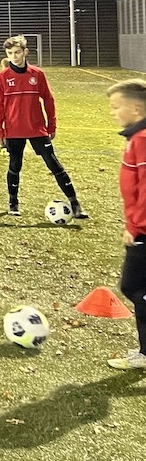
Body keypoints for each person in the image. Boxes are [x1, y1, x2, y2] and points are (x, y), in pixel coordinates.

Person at [0, 35, 86, 219]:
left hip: (37, 129)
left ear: (25, 52)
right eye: (10, 53)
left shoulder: (37, 74)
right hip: (14, 130)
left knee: (54, 164)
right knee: (15, 165)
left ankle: (75, 203)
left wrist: (52, 124)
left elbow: (49, 100)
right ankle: (13, 202)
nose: (14, 57)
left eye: (17, 52)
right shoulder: (1, 77)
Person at [106, 78, 146, 369]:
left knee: (134, 286)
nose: (113, 113)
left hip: (144, 230)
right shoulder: (137, 138)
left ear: (136, 109)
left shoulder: (142, 140)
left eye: (116, 107)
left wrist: (134, 226)